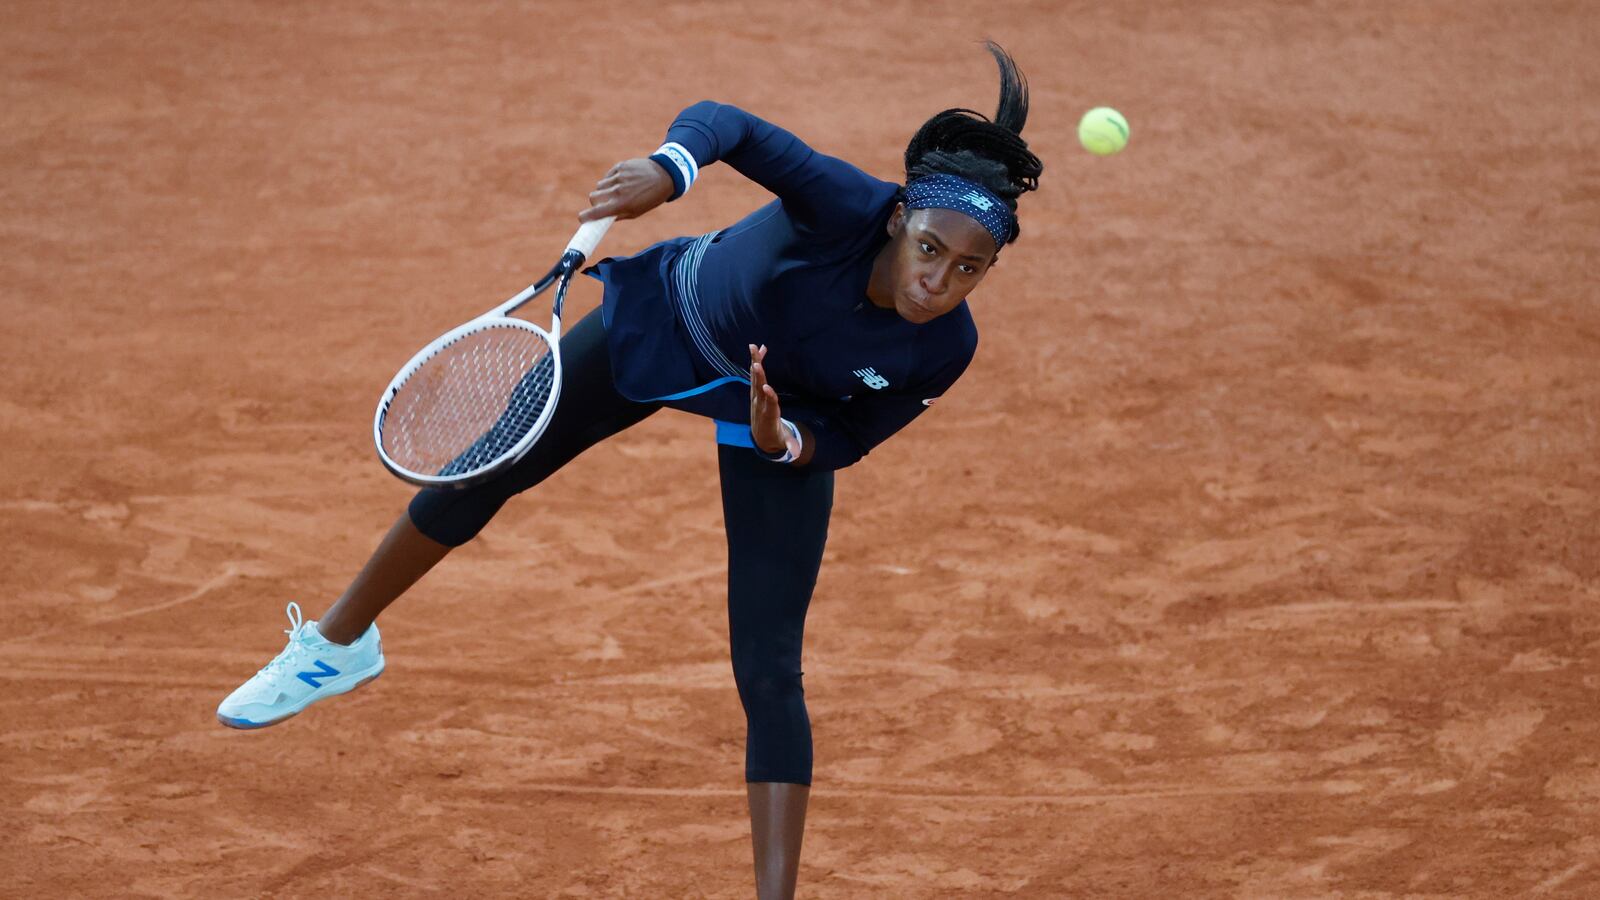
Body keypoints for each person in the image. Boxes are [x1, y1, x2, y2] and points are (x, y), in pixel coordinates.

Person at [217, 41, 1043, 900]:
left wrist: (785, 442)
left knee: (769, 666)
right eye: (929, 250)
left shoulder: (947, 347)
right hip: (663, 325)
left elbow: (859, 432)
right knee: (481, 473)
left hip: (769, 408)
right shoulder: (843, 203)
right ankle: (337, 645)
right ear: (899, 219)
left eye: (968, 270)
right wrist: (670, 168)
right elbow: (731, 124)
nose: (937, 282)